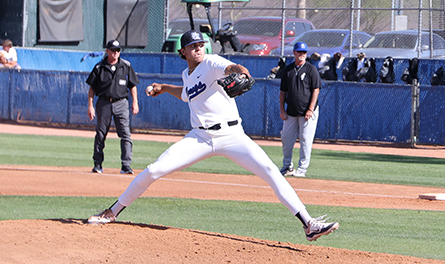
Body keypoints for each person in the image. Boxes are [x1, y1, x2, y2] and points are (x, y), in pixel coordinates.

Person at [87, 30, 338, 242]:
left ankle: (308, 224)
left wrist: (240, 70)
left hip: (232, 135)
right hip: (200, 138)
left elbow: (231, 67)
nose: (198, 48)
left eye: (200, 45)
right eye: (192, 46)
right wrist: (164, 88)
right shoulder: (188, 75)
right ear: (183, 52)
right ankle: (112, 211)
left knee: (271, 171)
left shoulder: (211, 62)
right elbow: (186, 93)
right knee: (153, 170)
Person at [86, 39, 139, 174]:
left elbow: (132, 85)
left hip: (121, 103)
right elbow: (92, 88)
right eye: (113, 50)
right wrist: (90, 106)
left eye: (118, 50)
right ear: (107, 51)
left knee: (125, 134)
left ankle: (126, 165)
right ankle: (98, 164)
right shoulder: (99, 67)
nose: (115, 53)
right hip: (104, 103)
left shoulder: (126, 65)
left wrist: (135, 102)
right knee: (100, 134)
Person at [279, 41, 321, 178]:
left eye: (304, 52)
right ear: (294, 53)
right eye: (299, 52)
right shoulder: (288, 69)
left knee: (305, 140)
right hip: (291, 111)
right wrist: (282, 110)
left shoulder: (311, 69)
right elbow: (283, 92)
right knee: (286, 139)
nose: (302, 54)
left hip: (307, 113)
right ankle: (287, 166)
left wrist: (310, 109)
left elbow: (316, 90)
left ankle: (302, 168)